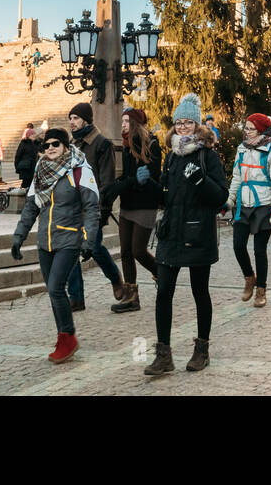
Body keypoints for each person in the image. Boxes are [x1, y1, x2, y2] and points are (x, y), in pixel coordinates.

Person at [142, 93, 227, 376]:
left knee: (199, 291)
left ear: (197, 125)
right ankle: (163, 354)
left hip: (197, 233)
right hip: (171, 234)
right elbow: (166, 198)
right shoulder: (172, 158)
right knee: (163, 291)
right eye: (179, 123)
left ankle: (202, 350)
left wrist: (200, 180)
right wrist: (150, 186)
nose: (183, 128)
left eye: (188, 122)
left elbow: (220, 198)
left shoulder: (208, 156)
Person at [10, 127, 98, 363]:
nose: (50, 148)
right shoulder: (40, 170)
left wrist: (89, 239)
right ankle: (64, 336)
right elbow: (31, 206)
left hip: (69, 238)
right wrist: (19, 236)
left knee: (57, 287)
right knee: (52, 290)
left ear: (66, 147)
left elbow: (91, 207)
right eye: (46, 145)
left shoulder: (79, 170)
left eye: (55, 144)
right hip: (45, 240)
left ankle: (68, 337)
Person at [66, 103, 126, 309]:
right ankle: (76, 297)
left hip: (94, 207)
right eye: (70, 118)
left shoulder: (102, 144)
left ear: (86, 119)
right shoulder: (71, 145)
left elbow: (107, 181)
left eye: (75, 118)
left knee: (95, 247)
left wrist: (103, 209)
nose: (72, 122)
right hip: (73, 207)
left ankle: (115, 277)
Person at [103, 107, 161, 313]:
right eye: (122, 121)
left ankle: (160, 273)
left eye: (127, 121)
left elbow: (153, 176)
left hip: (145, 205)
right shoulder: (126, 146)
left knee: (138, 250)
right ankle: (131, 296)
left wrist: (131, 182)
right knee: (125, 251)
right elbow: (129, 176)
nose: (123, 125)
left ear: (136, 123)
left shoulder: (152, 144)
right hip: (128, 204)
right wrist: (114, 188)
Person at [225, 113, 271, 308]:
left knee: (260, 250)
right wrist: (229, 200)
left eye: (250, 128)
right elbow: (236, 177)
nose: (247, 131)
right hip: (244, 205)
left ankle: (261, 289)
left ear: (260, 130)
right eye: (246, 128)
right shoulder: (241, 149)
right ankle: (249, 277)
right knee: (238, 245)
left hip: (264, 205)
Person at [14, 125, 39, 192]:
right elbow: (18, 155)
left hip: (33, 167)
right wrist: (17, 166)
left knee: (32, 183)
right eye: (33, 135)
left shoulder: (36, 143)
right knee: (25, 183)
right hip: (26, 167)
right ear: (29, 135)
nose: (34, 136)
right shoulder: (24, 143)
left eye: (34, 135)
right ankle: (21, 197)